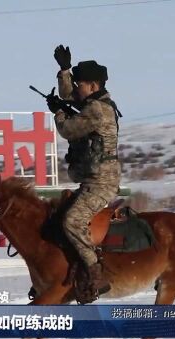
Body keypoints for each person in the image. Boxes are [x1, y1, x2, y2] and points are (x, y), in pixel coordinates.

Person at [46, 45, 122, 304]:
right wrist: (65, 71)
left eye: (79, 83)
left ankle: (95, 273)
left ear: (92, 85)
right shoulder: (93, 102)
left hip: (102, 183)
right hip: (91, 179)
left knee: (72, 222)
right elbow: (70, 96)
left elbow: (68, 129)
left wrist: (57, 111)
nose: (76, 87)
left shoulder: (97, 110)